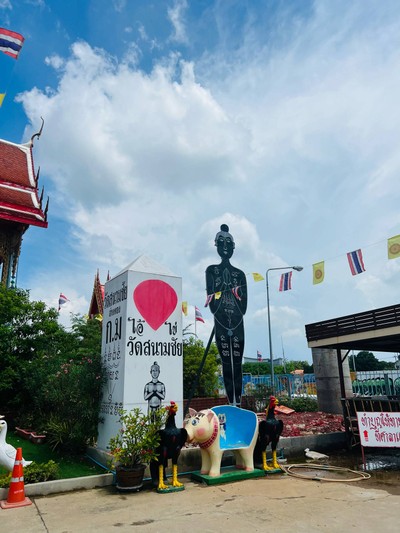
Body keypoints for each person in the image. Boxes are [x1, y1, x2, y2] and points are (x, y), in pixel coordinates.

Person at [205, 224, 247, 407]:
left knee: (237, 363)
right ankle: (231, 402)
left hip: (237, 323)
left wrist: (231, 291)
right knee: (226, 364)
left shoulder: (240, 275)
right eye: (221, 242)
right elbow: (212, 304)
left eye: (228, 242)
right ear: (216, 244)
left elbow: (243, 307)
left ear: (233, 246)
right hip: (221, 322)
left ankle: (238, 402)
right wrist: (222, 290)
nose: (225, 246)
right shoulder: (211, 270)